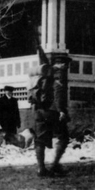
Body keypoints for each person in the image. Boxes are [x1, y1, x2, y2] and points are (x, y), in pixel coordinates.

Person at [31, 49, 71, 177]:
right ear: (62, 64)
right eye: (66, 64)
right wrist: (61, 111)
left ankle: (41, 168)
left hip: (39, 110)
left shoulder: (44, 75)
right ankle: (55, 165)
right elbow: (58, 92)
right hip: (53, 111)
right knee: (64, 137)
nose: (67, 67)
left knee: (40, 140)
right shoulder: (59, 74)